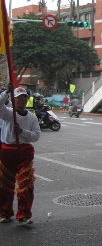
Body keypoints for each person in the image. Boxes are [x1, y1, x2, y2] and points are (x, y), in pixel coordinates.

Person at [0, 84, 41, 225]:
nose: (21, 100)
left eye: (24, 98)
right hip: (7, 151)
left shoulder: (32, 118)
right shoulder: (7, 113)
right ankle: (4, 212)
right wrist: (6, 92)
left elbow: (36, 136)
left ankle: (24, 214)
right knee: (5, 184)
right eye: (18, 98)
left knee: (26, 184)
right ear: (13, 99)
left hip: (25, 152)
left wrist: (22, 132)